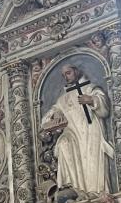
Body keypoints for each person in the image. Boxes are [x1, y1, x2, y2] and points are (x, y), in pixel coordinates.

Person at [40, 63, 113, 196]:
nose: (66, 77)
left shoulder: (90, 88)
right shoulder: (63, 99)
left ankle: (96, 192)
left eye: (68, 73)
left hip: (91, 130)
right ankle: (73, 189)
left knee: (93, 160)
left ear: (76, 71)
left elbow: (104, 108)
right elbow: (46, 120)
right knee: (63, 144)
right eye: (64, 75)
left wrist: (91, 100)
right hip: (72, 133)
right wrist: (55, 115)